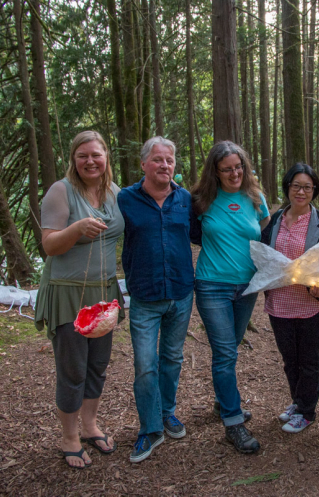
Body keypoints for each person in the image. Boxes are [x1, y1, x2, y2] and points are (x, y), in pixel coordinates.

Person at [35, 131, 125, 469]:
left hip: (103, 293)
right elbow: (49, 246)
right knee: (72, 369)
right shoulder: (62, 192)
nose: (90, 161)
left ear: (106, 157)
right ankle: (69, 437)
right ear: (73, 159)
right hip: (68, 293)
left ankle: (89, 426)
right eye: (82, 155)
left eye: (96, 155)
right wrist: (76, 230)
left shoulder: (114, 193)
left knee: (97, 365)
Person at [117, 137, 194, 464]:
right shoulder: (125, 199)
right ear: (144, 164)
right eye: (158, 160)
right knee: (145, 364)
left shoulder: (186, 199)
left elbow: (209, 232)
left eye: (170, 160)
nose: (165, 165)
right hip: (145, 296)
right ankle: (150, 429)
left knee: (172, 358)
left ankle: (167, 412)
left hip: (180, 292)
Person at [190, 141, 270, 454]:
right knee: (224, 353)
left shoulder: (255, 197)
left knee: (231, 348)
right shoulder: (201, 200)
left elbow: (262, 231)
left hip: (246, 287)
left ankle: (223, 401)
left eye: (238, 167)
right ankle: (233, 422)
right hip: (211, 285)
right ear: (216, 172)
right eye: (227, 169)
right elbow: (192, 233)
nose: (234, 173)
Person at [260, 163, 319, 434]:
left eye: (307, 187)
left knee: (308, 359)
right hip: (279, 302)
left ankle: (307, 411)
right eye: (296, 186)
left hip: (309, 305)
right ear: (287, 187)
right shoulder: (277, 218)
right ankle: (297, 401)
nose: (301, 192)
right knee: (289, 358)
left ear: (314, 189)